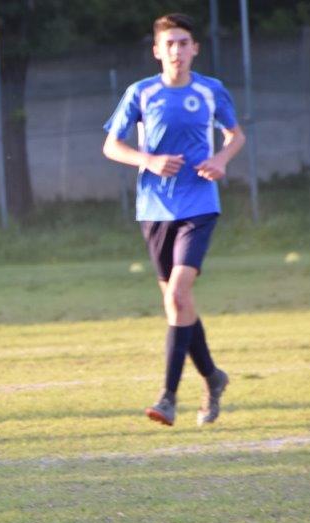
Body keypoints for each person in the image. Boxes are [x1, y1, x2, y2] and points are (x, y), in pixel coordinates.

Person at [102, 13, 246, 426]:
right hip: (154, 210)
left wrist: (220, 160)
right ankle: (214, 377)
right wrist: (147, 160)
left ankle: (168, 397)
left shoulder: (210, 90)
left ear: (195, 48)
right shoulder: (141, 93)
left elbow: (236, 136)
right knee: (178, 304)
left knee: (178, 294)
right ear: (157, 51)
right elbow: (112, 145)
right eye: (170, 44)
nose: (177, 51)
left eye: (184, 43)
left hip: (199, 206)